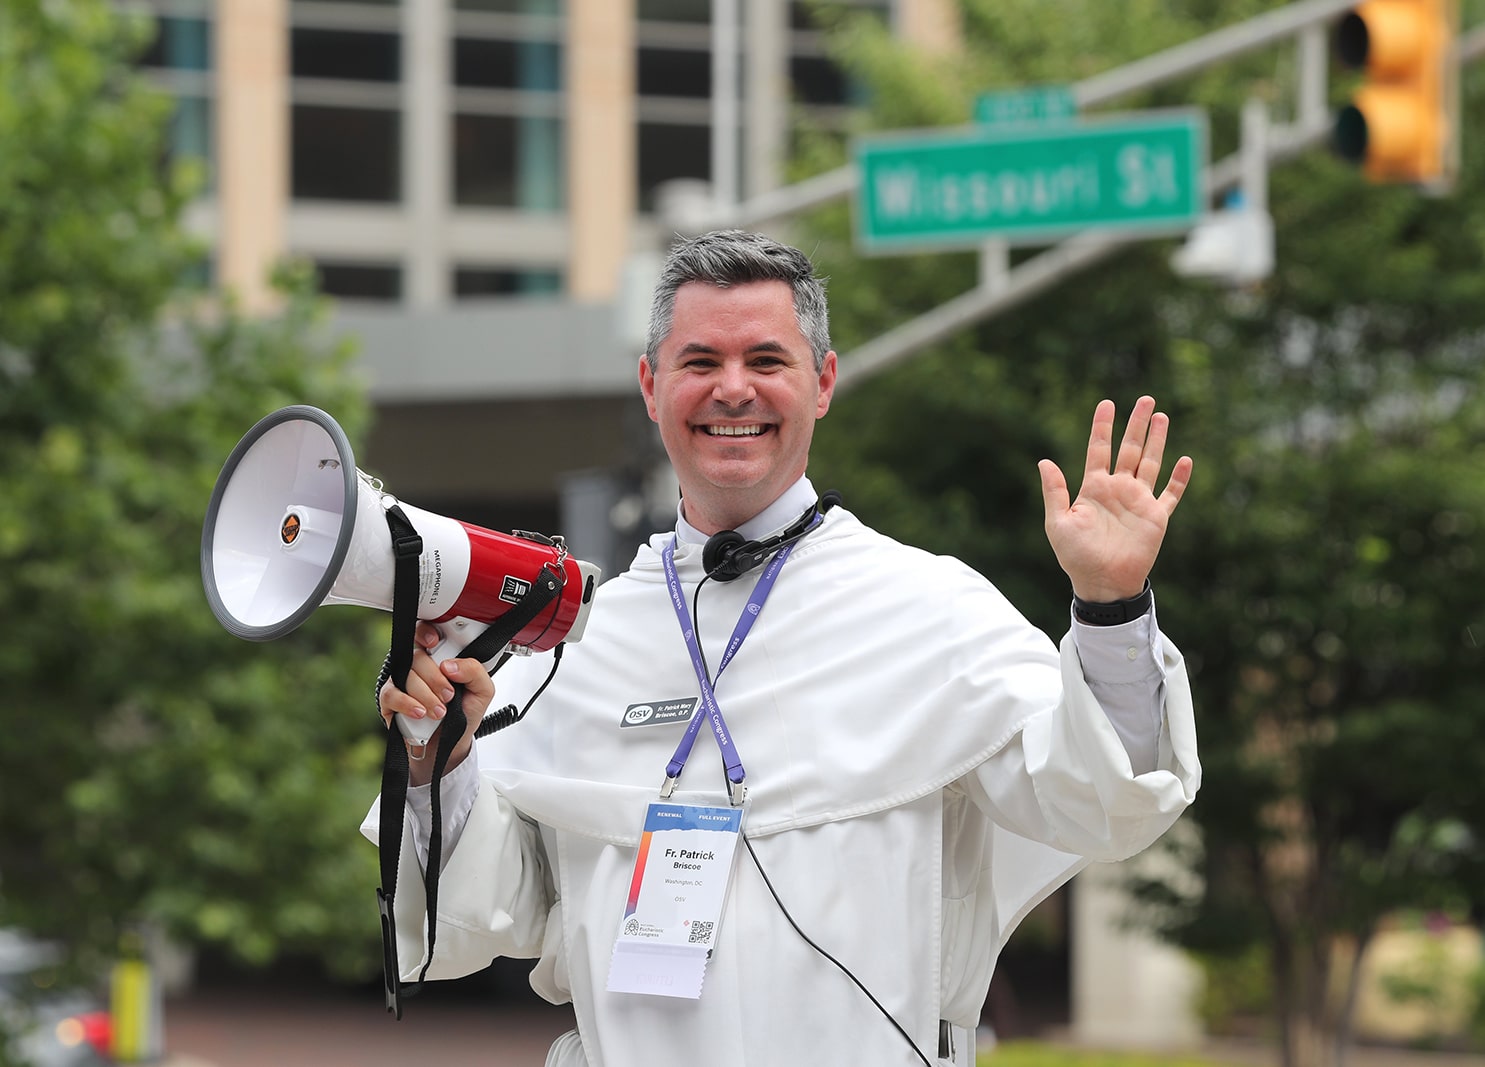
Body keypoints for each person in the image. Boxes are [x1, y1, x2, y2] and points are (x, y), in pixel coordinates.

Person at [365, 229, 1199, 1067]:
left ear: (823, 382)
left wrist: (1110, 604)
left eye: (767, 359)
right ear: (651, 385)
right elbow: (491, 909)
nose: (733, 389)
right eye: (699, 362)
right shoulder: (586, 638)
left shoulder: (929, 607)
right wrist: (441, 760)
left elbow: (1103, 800)